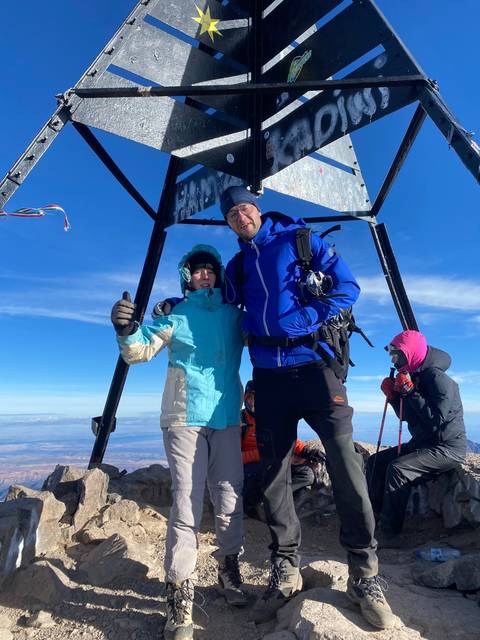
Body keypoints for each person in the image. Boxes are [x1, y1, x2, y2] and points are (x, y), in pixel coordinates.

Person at [155, 187, 394, 629]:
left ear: (257, 209)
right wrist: (173, 304)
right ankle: (285, 568)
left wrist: (309, 317)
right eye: (231, 215)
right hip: (267, 374)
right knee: (273, 474)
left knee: (346, 464)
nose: (240, 217)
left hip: (315, 366)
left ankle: (364, 574)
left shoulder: (300, 241)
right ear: (228, 224)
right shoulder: (239, 265)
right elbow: (212, 302)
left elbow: (349, 287)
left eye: (244, 208)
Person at [110, 245, 246, 640]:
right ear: (187, 276)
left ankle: (229, 568)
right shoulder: (175, 316)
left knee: (230, 495)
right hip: (184, 418)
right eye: (196, 270)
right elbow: (139, 351)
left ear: (218, 275)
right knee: (186, 502)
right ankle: (179, 596)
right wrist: (125, 329)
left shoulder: (234, 315)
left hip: (227, 418)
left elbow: (265, 331)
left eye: (209, 270)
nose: (204, 275)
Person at [366, 330, 467, 543]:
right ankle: (374, 517)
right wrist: (395, 397)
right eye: (393, 355)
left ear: (411, 353)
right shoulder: (416, 375)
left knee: (398, 469)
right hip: (424, 443)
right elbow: (408, 417)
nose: (394, 360)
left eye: (397, 355)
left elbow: (436, 421)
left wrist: (410, 392)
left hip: (447, 448)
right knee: (376, 462)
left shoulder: (437, 378)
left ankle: (389, 533)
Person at [240, 380, 319, 520]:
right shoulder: (239, 421)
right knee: (260, 471)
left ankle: (271, 500)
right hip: (251, 468)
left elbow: (287, 438)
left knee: (307, 474)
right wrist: (265, 455)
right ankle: (249, 506)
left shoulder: (271, 419)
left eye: (259, 398)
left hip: (272, 461)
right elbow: (234, 457)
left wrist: (306, 451)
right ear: (245, 399)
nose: (254, 402)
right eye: (250, 398)